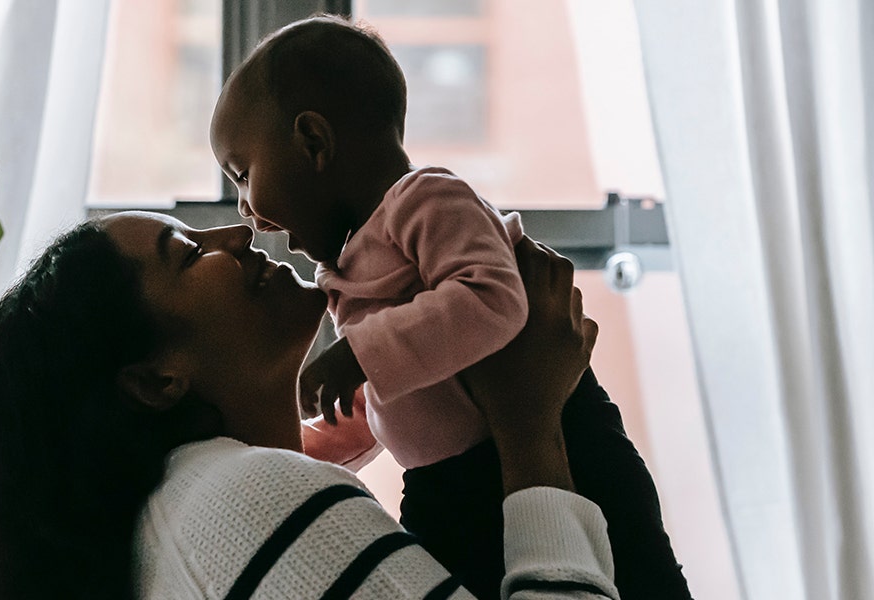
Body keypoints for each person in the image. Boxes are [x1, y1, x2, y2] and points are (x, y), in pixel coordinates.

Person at [207, 15, 691, 600]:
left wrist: (359, 353)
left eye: (242, 175)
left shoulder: (426, 200)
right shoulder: (355, 260)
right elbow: (414, 378)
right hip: (446, 484)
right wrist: (319, 445)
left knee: (636, 579)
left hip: (569, 445)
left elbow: (493, 301)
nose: (245, 212)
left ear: (313, 143)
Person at [0, 210, 617, 599]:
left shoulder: (167, 525)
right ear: (156, 381)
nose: (236, 232)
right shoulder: (249, 498)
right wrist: (532, 427)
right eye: (188, 253)